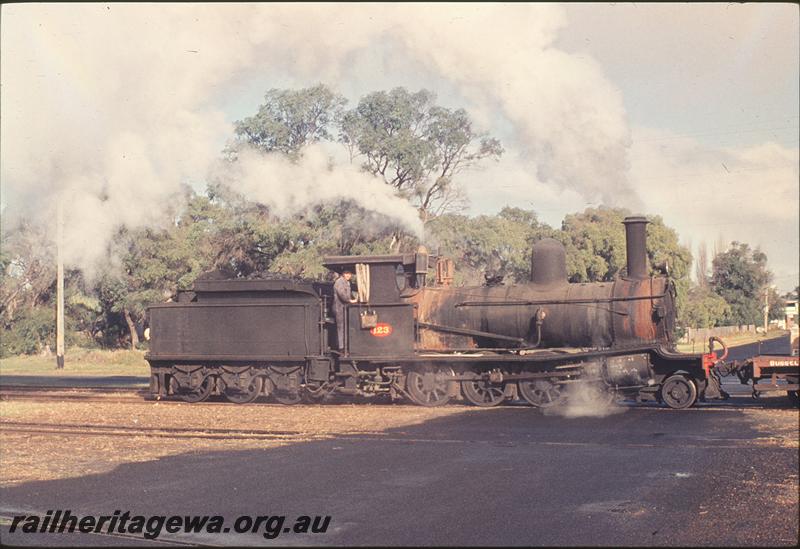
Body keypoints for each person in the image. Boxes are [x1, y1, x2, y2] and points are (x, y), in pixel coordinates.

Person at [333, 269, 357, 354]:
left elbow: (349, 294)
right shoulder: (339, 282)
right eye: (346, 273)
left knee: (345, 327)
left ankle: (346, 346)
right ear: (343, 274)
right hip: (339, 307)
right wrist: (350, 300)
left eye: (349, 273)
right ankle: (341, 347)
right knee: (341, 327)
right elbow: (342, 294)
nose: (348, 275)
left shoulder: (347, 282)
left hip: (344, 307)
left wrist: (355, 299)